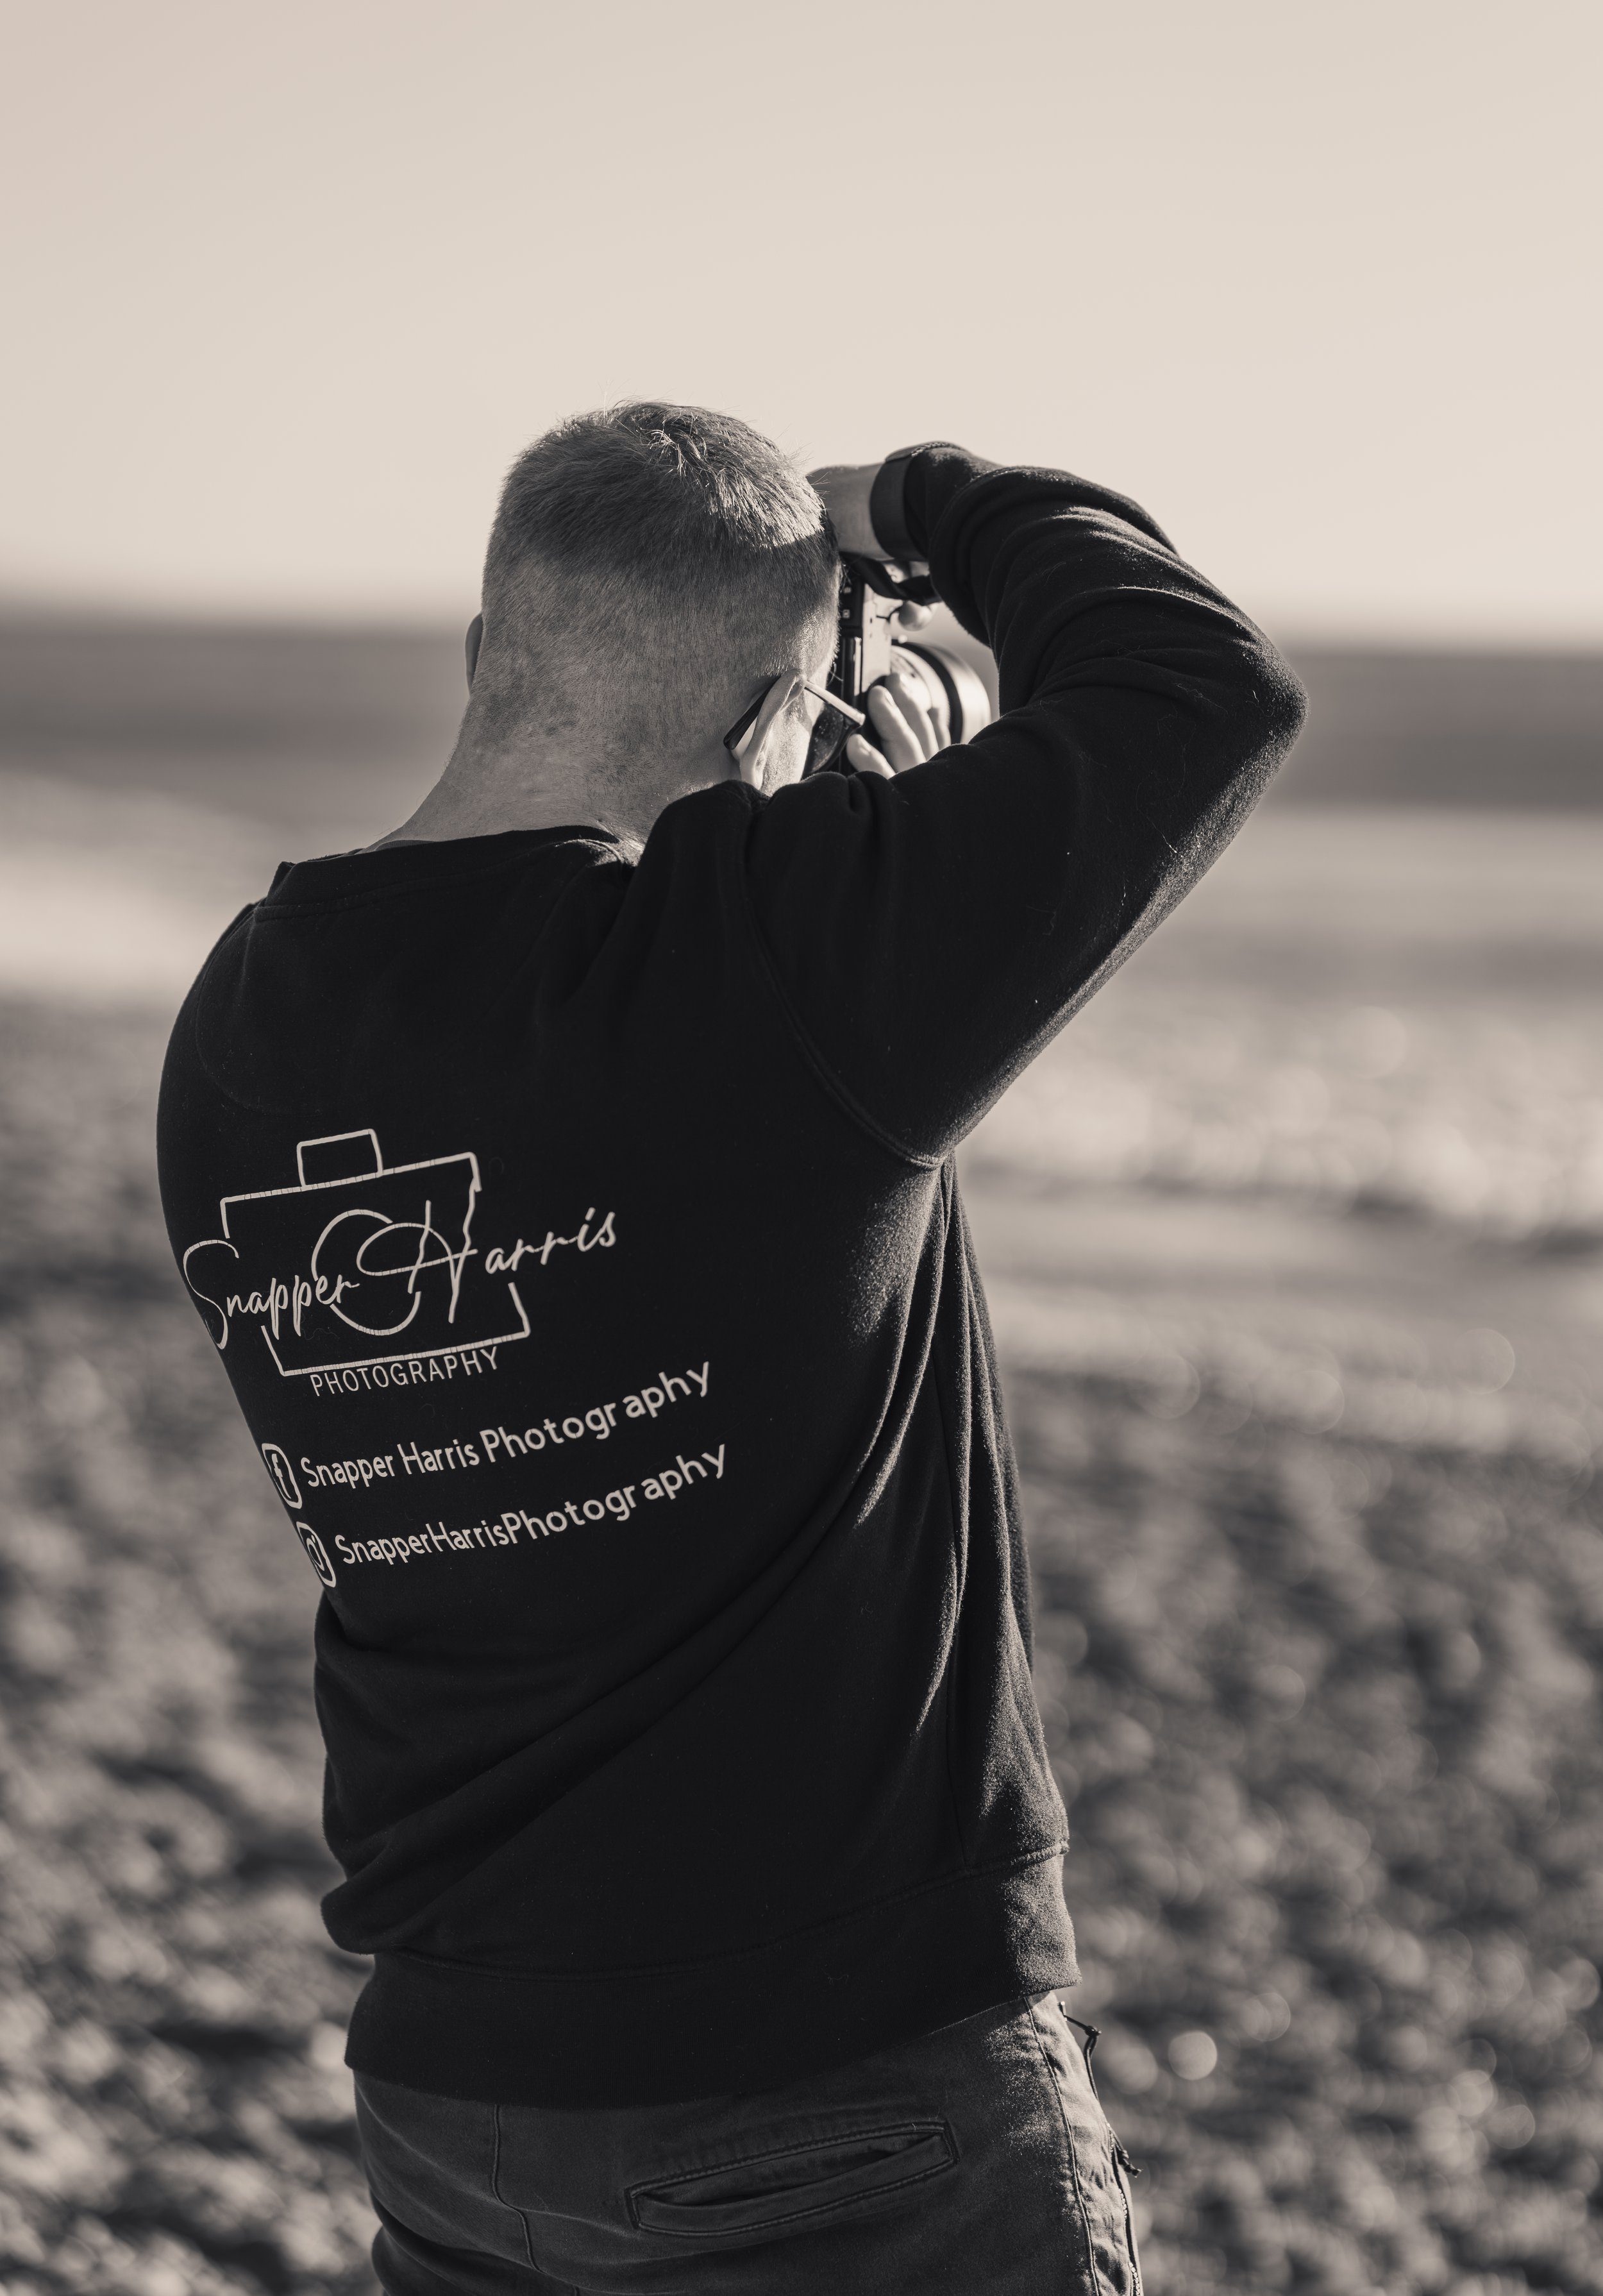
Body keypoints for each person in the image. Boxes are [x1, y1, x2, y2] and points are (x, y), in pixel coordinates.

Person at [156, 406, 1304, 2293]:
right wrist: (912, 502)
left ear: (482, 650)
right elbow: (1204, 684)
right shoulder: (789, 959)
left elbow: (619, 1139)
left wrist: (804, 832)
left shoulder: (249, 1010)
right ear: (779, 706)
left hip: (463, 2098)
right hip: (834, 2089)